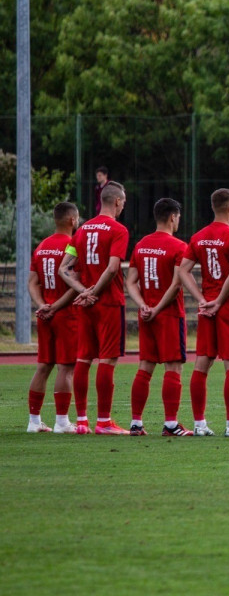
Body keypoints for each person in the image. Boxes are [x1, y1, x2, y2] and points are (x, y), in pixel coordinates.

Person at [180, 188, 229, 437]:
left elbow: (183, 270)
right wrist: (220, 301)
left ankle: (200, 424)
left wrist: (203, 299)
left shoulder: (199, 237)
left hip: (207, 307)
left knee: (202, 362)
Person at [59, 181, 130, 435]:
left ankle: (81, 422)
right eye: (123, 203)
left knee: (83, 359)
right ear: (118, 202)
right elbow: (112, 268)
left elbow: (64, 269)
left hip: (85, 305)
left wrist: (84, 291)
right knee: (107, 360)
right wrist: (94, 293)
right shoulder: (118, 230)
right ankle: (103, 422)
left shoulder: (82, 230)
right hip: (108, 302)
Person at [124, 198, 192, 437]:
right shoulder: (179, 246)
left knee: (145, 367)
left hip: (147, 315)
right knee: (173, 367)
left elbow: (130, 282)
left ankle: (135, 423)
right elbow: (176, 285)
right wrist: (158, 308)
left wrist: (144, 305)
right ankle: (171, 424)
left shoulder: (141, 245)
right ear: (173, 217)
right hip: (169, 315)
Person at [26, 202, 80, 434]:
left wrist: (42, 305)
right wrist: (55, 307)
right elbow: (75, 284)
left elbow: (32, 282)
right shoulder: (73, 246)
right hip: (65, 314)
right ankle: (61, 422)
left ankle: (34, 421)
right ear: (72, 220)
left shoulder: (42, 247)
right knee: (65, 368)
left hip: (45, 314)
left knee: (43, 366)